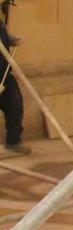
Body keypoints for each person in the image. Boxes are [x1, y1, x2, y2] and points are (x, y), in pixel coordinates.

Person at [0, 13, 26, 157]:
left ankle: (13, 141)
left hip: (3, 75)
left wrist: (13, 40)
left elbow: (6, 39)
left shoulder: (1, 24)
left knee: (15, 103)